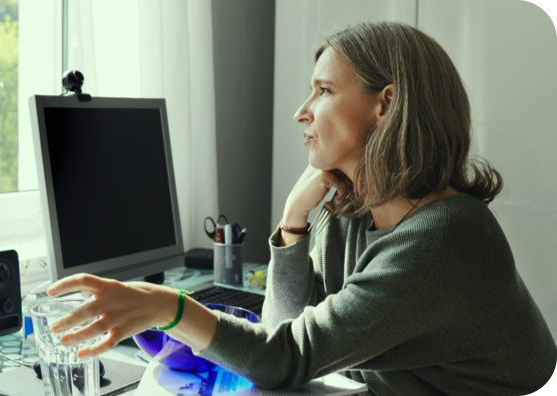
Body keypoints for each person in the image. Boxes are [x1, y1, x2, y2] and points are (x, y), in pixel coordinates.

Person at [44, 21, 557, 395]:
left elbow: (285, 359)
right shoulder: (350, 210)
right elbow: (287, 335)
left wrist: (167, 307)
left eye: (324, 90)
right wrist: (292, 225)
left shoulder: (447, 236)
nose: (300, 112)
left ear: (387, 105)